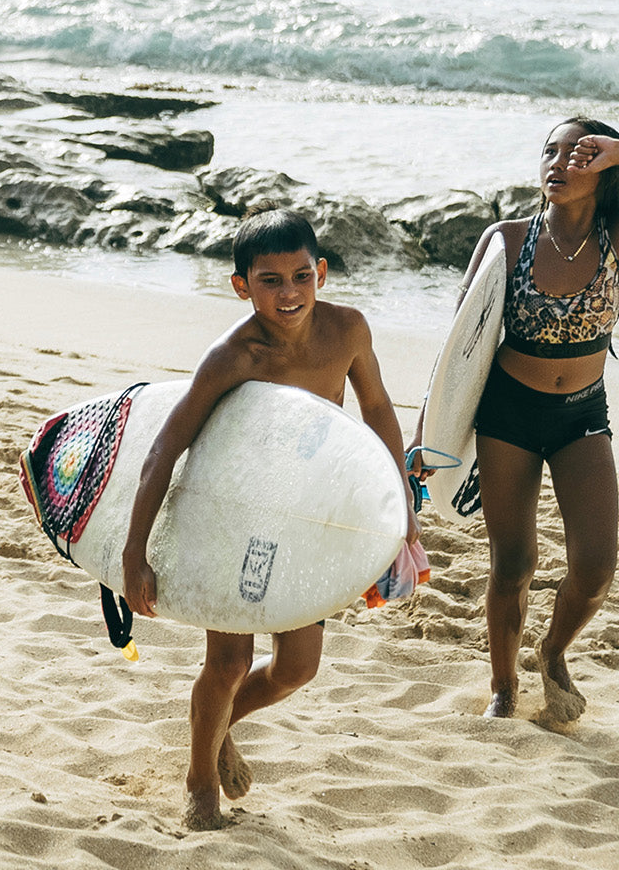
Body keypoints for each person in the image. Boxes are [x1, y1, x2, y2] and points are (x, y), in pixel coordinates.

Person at [119, 204, 418, 830]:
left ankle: (220, 725)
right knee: (226, 663)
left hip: (304, 516)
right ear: (240, 286)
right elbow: (165, 448)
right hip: (234, 513)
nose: (289, 293)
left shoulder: (349, 331)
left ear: (322, 274)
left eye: (301, 277)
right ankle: (200, 777)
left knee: (297, 668)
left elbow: (379, 411)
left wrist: (401, 508)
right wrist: (133, 553)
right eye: (270, 281)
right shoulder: (234, 356)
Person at [422, 118, 619, 723]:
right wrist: (428, 430)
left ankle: (553, 650)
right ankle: (504, 687)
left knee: (596, 564)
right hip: (507, 412)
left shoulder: (616, 239)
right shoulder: (506, 239)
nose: (558, 164)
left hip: (581, 414)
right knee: (514, 562)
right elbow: (460, 346)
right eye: (550, 152)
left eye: (580, 154)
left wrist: (618, 149)